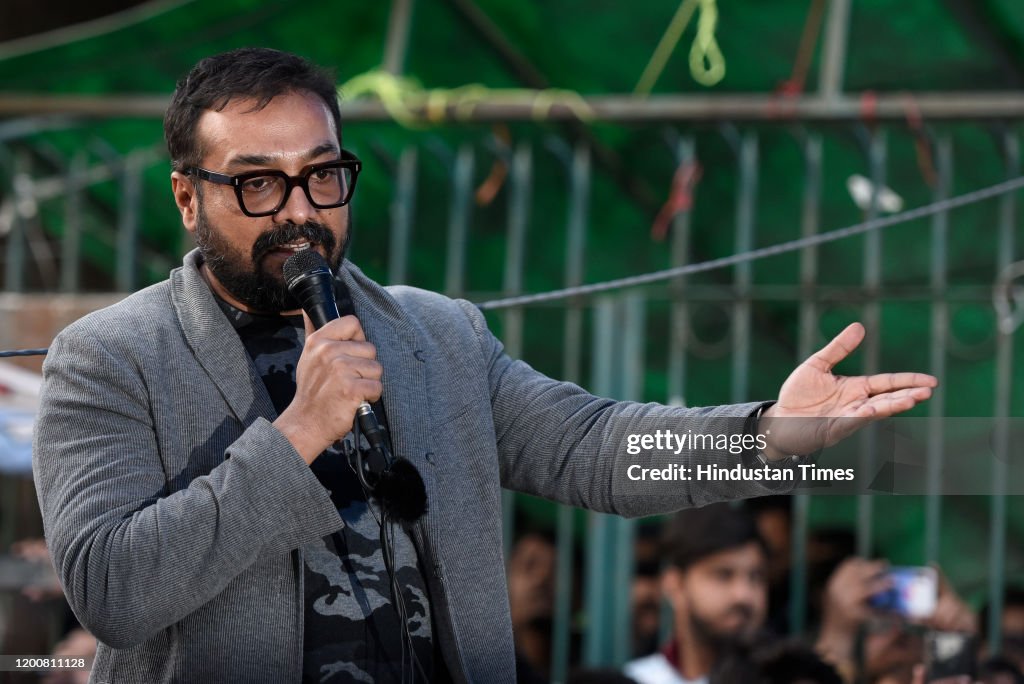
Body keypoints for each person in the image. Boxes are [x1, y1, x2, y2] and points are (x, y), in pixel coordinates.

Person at [31, 47, 937, 683]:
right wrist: (299, 432)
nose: (300, 211)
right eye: (258, 183)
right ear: (189, 197)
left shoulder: (437, 337)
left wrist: (769, 440)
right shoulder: (111, 359)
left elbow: (594, 448)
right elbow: (113, 590)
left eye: (322, 175)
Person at [624, 504, 771, 684]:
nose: (743, 595)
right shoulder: (638, 679)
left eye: (755, 577)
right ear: (675, 585)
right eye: (723, 575)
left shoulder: (793, 678)